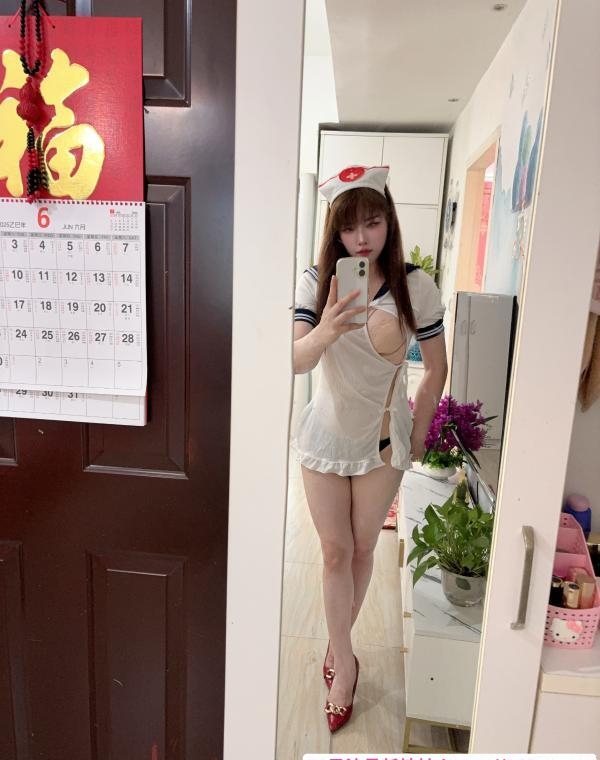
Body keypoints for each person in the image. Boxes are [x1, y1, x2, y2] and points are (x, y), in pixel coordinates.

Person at [291, 165, 448, 732]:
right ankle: (345, 662)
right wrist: (328, 328)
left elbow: (436, 369)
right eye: (350, 226)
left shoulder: (415, 286)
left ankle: (339, 646)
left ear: (389, 223)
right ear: (335, 229)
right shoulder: (317, 281)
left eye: (373, 223)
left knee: (362, 550)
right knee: (335, 552)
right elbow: (295, 360)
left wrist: (421, 434)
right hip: (326, 434)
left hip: (383, 439)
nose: (362, 238)